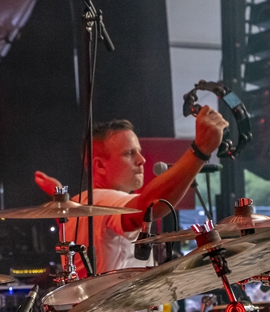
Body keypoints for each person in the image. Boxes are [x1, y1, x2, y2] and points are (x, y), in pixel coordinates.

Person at [34, 107, 229, 275]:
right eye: (129, 153)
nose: (141, 160)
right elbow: (147, 207)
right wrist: (200, 150)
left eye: (139, 151)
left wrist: (56, 192)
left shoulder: (79, 203)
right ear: (99, 166)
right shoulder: (105, 200)